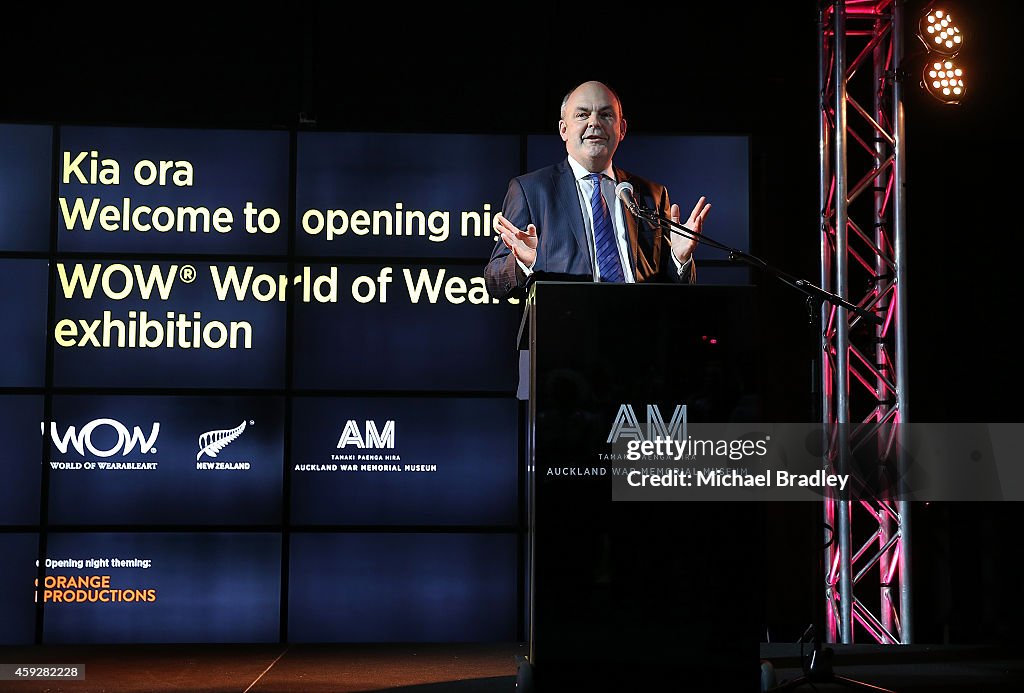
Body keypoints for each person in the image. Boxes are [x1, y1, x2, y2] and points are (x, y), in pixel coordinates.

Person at [484, 79, 711, 300]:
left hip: (641, 330)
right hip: (567, 330)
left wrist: (679, 259)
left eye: (605, 114)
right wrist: (525, 263)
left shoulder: (652, 194)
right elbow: (494, 283)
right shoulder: (530, 189)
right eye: (582, 115)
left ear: (621, 129)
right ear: (564, 129)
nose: (594, 122)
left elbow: (673, 290)